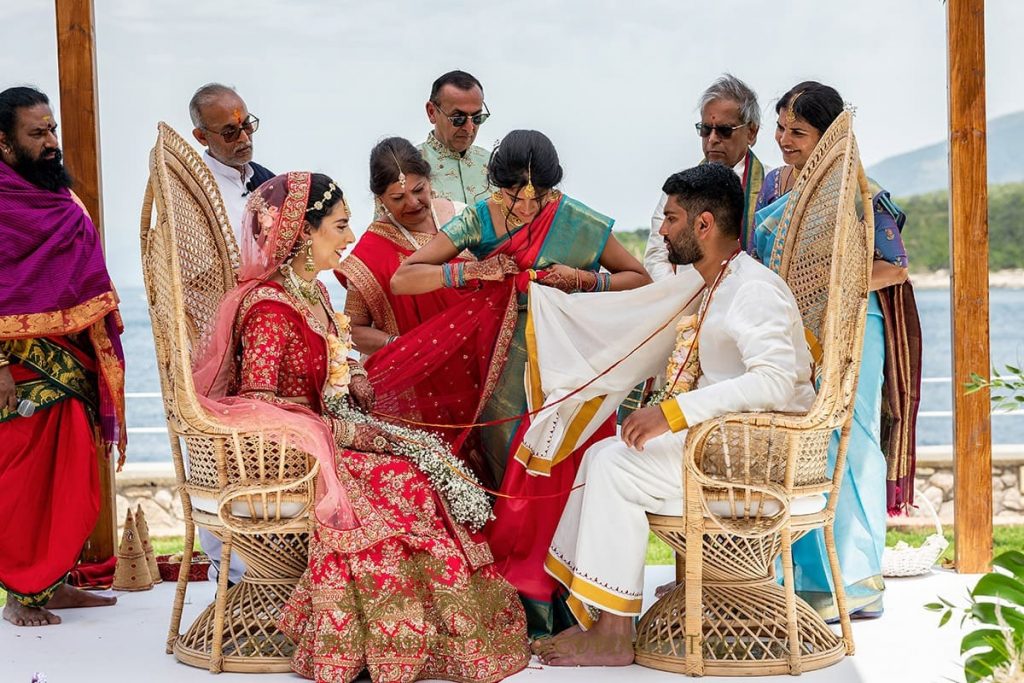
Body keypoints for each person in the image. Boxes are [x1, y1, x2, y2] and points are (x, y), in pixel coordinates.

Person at [191, 171, 529, 682]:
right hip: (295, 455)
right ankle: (382, 641)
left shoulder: (314, 296)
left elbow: (328, 375)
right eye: (341, 226)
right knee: (405, 482)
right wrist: (342, 430)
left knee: (426, 461)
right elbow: (259, 407)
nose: (350, 239)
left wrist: (353, 386)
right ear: (304, 233)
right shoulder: (269, 310)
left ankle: (428, 634)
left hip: (325, 436)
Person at [531, 164, 816, 666]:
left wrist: (674, 413)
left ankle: (613, 635)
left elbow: (775, 379)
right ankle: (602, 620)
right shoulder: (715, 283)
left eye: (670, 219)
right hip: (719, 447)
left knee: (614, 465)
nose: (661, 231)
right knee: (605, 453)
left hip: (754, 462)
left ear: (703, 225)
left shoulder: (752, 290)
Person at [391, 129, 651, 637]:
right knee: (513, 485)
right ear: (497, 185)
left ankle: (580, 607)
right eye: (515, 196)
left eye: (540, 196)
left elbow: (639, 280)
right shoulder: (482, 216)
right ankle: (522, 605)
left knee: (570, 478)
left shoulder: (576, 220)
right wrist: (472, 272)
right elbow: (406, 276)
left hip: (571, 370)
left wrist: (585, 280)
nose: (528, 207)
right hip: (505, 368)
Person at [752, 81, 921, 620]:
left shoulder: (859, 192)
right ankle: (800, 580)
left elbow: (895, 267)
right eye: (780, 128)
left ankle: (857, 582)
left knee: (852, 443)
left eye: (797, 131)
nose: (784, 140)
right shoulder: (775, 186)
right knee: (801, 441)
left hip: (853, 327)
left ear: (827, 137)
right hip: (793, 329)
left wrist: (836, 284)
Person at [0, 86, 126, 627]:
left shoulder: (61, 198)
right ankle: (19, 596)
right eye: (38, 133)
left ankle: (55, 582)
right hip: (18, 369)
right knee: (24, 485)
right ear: (3, 143)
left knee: (75, 483)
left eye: (52, 130)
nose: (52, 142)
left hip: (72, 361)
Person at [336, 137, 467, 356]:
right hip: (412, 373)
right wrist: (405, 345)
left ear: (429, 180)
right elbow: (352, 329)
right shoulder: (371, 251)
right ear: (380, 200)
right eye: (398, 198)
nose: (413, 203)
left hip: (481, 360)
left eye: (419, 190)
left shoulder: (463, 217)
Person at [644, 74, 768, 280]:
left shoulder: (773, 185)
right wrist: (685, 301)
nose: (712, 139)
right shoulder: (680, 188)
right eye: (705, 129)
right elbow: (657, 256)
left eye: (724, 131)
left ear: (751, 132)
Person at [190, 83, 274, 245]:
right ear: (201, 137)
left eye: (247, 125)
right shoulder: (194, 194)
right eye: (229, 132)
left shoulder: (265, 178)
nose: (244, 138)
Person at [417, 70, 491, 204]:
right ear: (432, 112)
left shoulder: (494, 165)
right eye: (458, 118)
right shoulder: (407, 167)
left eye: (477, 118)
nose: (469, 128)